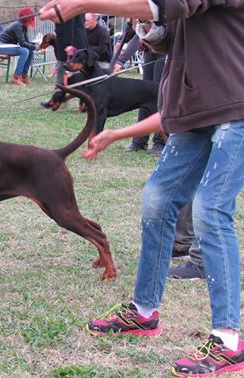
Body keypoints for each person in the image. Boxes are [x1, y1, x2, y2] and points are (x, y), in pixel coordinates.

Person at [42, 1, 244, 376]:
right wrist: (118, 132)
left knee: (210, 209)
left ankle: (229, 341)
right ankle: (144, 312)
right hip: (194, 111)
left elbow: (166, 6)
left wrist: (86, 4)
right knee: (157, 200)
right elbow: (172, 38)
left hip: (236, 108)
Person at [39, 15, 87, 108]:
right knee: (63, 73)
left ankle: (83, 103)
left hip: (71, 45)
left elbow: (69, 22)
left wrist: (69, 44)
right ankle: (56, 100)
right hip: (70, 43)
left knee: (76, 76)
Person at [0, 7, 39, 86]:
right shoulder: (18, 26)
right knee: (25, 51)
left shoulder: (23, 26)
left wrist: (35, 46)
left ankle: (23, 75)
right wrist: (35, 47)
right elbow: (22, 43)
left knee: (30, 50)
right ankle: (16, 77)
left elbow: (26, 42)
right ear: (26, 18)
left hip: (7, 45)